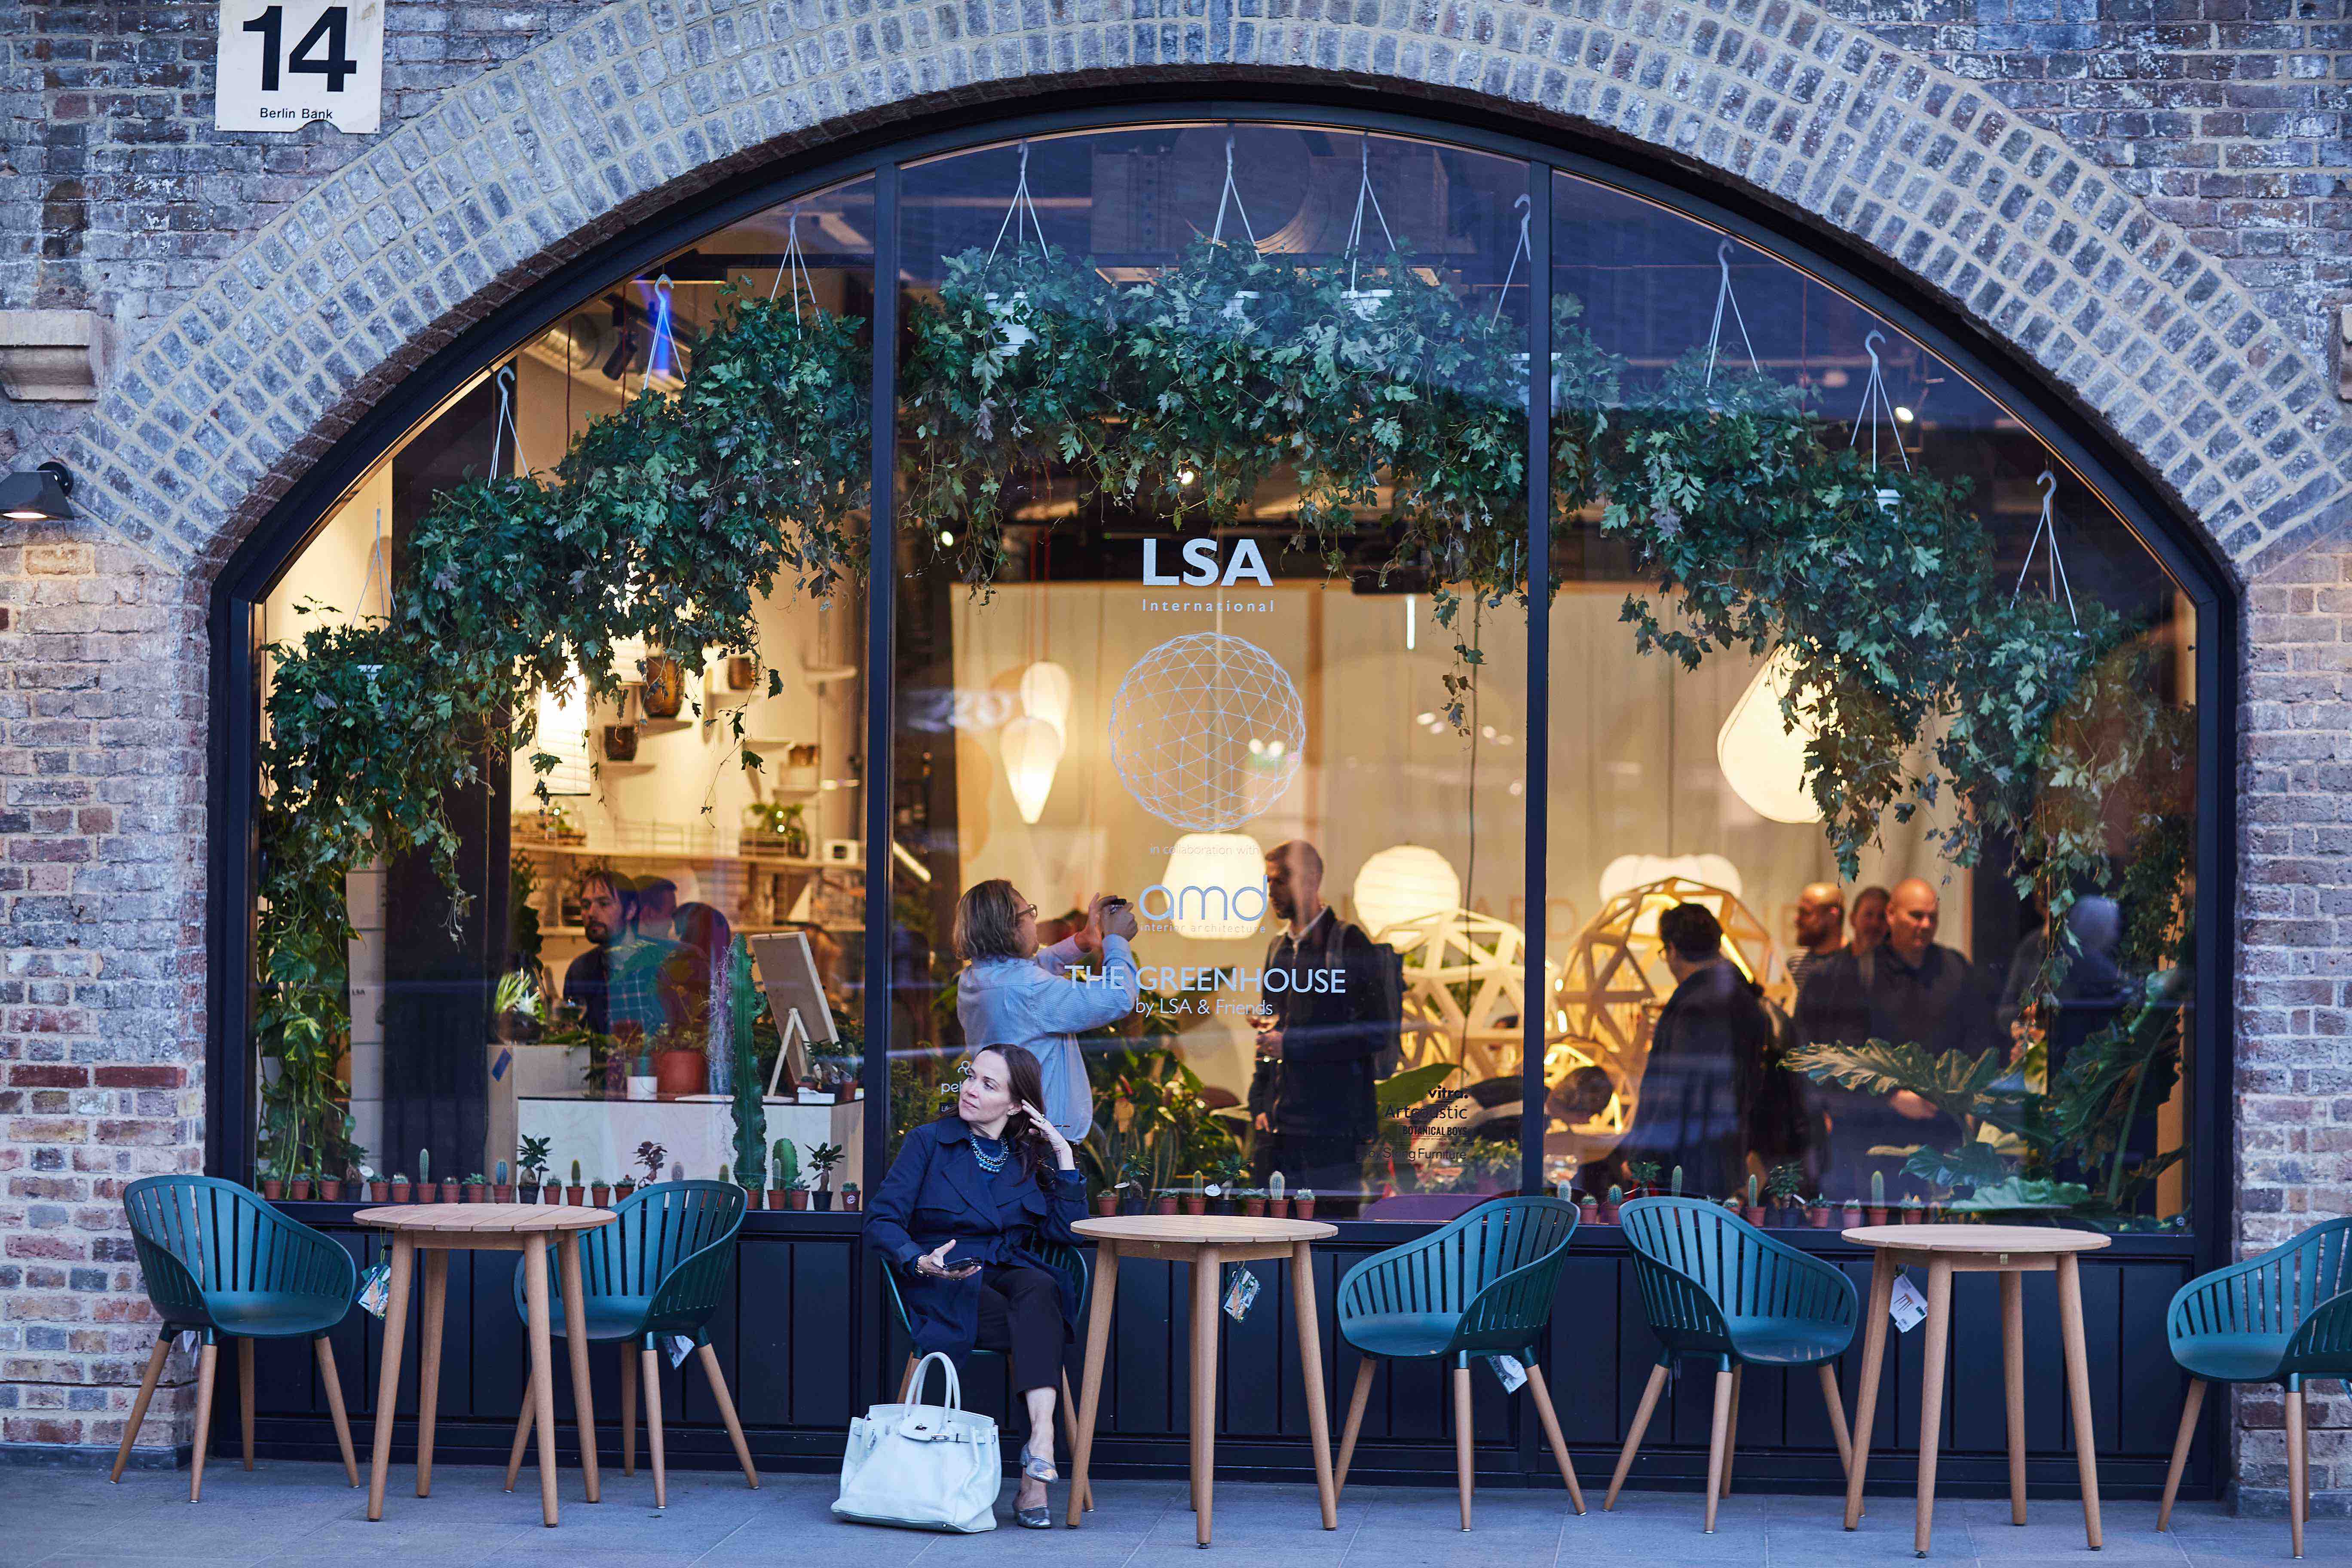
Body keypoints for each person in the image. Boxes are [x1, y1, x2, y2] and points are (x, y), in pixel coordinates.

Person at [865, 1044, 1085, 1528]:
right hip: (945, 1276)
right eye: (971, 1077)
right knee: (1039, 1320)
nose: (970, 1089)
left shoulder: (1026, 1156)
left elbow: (1065, 1234)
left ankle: (1041, 1441)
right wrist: (917, 1259)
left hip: (1005, 1270)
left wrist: (1065, 1155)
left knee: (1040, 1288)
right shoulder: (928, 1142)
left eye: (989, 1084)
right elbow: (881, 1220)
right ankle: (1037, 1479)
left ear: (1015, 1105)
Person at [1793, 877, 1999, 1195]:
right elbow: (1842, 1057)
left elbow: (1979, 1041)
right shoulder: (1854, 974)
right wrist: (1890, 1096)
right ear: (1892, 914)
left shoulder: (1954, 968)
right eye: (1916, 916)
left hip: (1942, 1133)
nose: (1925, 925)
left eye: (1933, 917)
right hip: (1873, 1136)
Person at [1248, 841, 1393, 1206]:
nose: (1271, 892)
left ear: (1312, 880)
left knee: (1330, 1234)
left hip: (1332, 1130)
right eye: (1268, 882)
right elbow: (1269, 1032)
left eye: (1280, 881)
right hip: (1279, 1132)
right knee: (1268, 1240)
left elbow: (1376, 1032)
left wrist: (1292, 1045)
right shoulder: (1277, 948)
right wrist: (1259, 1103)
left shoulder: (1348, 942)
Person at [953, 881, 1140, 1143]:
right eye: (1029, 912)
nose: (1033, 919)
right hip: (1043, 1142)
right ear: (1010, 926)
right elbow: (1118, 998)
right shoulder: (1026, 988)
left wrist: (1083, 940)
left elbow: (1029, 970)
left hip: (1009, 1129)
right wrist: (1116, 941)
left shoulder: (976, 977)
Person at [1617, 903, 1772, 1198]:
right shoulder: (1744, 998)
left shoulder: (1695, 1005)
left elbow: (1673, 1093)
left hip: (1683, 1166)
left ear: (1673, 949)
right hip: (1725, 1158)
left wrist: (1642, 1158)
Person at [563, 869, 679, 1047]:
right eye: (586, 905)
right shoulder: (581, 971)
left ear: (631, 910)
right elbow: (579, 1046)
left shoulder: (668, 961)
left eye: (604, 903)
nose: (591, 913)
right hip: (608, 1073)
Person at [1786, 882, 1846, 995]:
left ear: (1832, 917)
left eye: (1806, 913)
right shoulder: (1796, 963)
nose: (1797, 920)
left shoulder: (1855, 964)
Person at [1847, 885, 1890, 960]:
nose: (1875, 923)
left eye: (1882, 917)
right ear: (1853, 919)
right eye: (1868, 915)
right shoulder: (1830, 969)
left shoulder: (1902, 969)